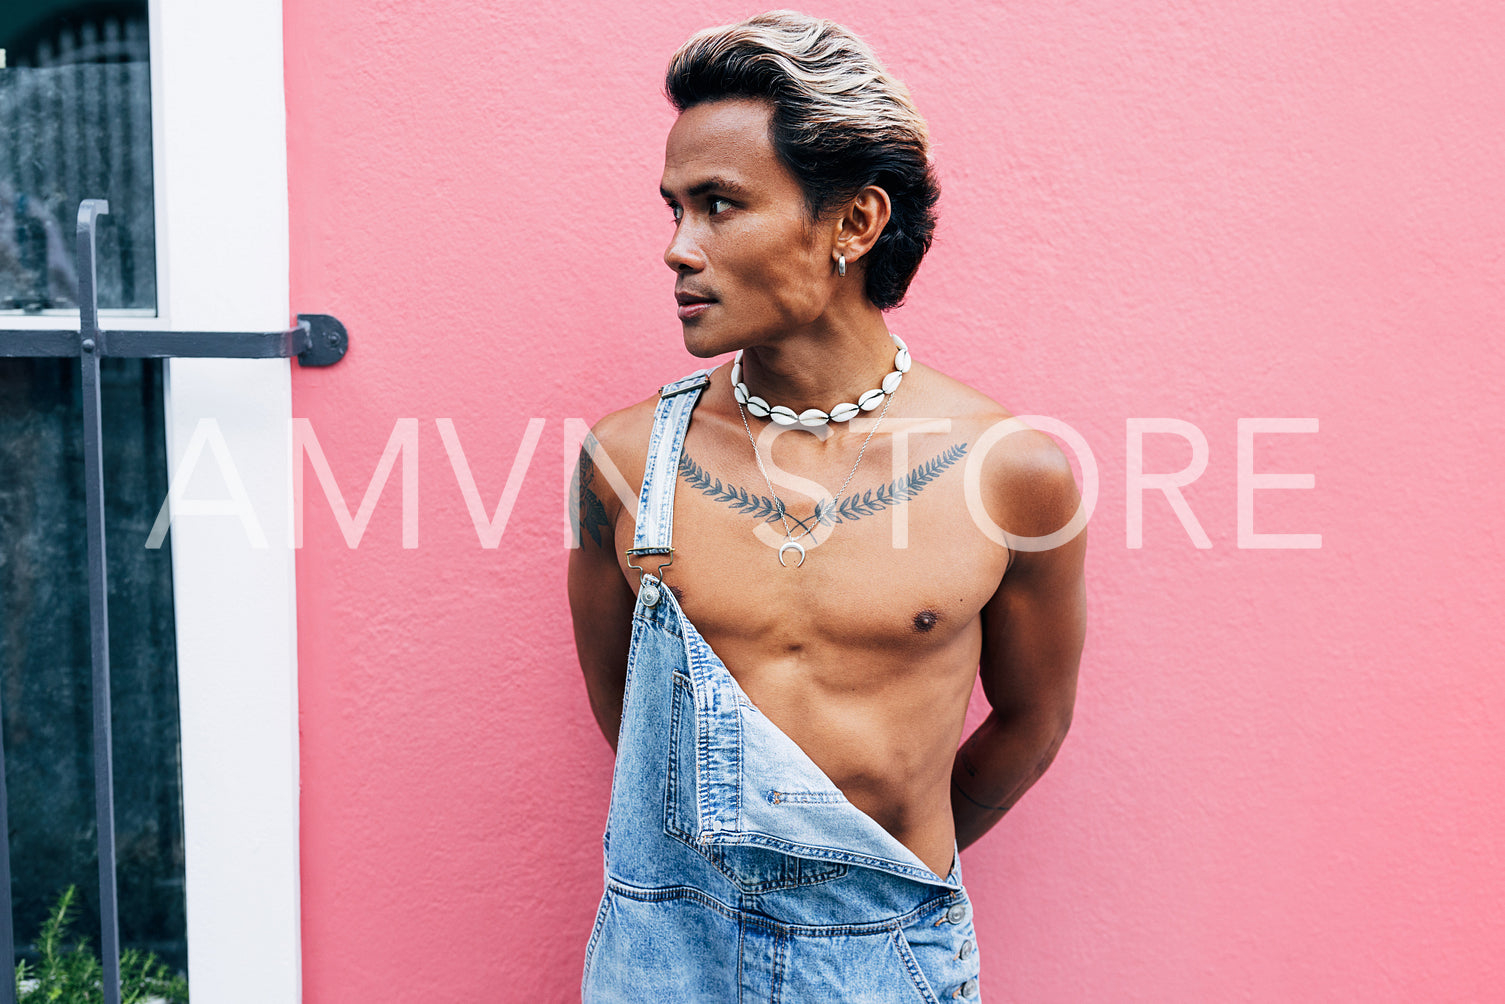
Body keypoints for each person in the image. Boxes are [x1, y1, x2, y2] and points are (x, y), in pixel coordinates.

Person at [568, 11, 1086, 1001]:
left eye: (719, 204)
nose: (677, 247)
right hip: (662, 955)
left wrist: (864, 874)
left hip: (885, 957)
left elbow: (1033, 719)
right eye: (674, 208)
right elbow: (629, 717)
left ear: (853, 223)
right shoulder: (624, 460)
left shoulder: (1010, 471)